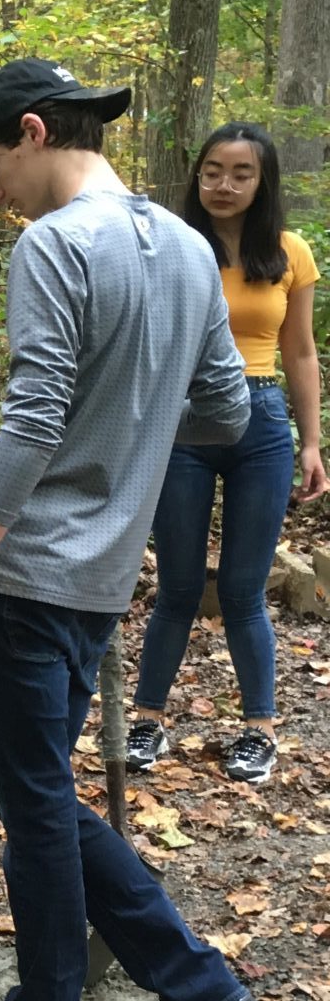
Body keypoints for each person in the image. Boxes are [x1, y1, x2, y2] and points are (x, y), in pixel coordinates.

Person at [0, 58, 270, 1001]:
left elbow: (30, 419)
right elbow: (228, 415)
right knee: (47, 801)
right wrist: (135, 427)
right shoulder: (184, 247)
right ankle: (198, 988)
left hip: (32, 577)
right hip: (107, 577)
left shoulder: (57, 244)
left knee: (35, 810)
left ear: (32, 132)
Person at [126, 123, 324, 785]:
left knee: (242, 589)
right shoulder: (173, 245)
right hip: (183, 422)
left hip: (263, 420)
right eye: (212, 170)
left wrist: (313, 441)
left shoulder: (289, 252)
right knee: (177, 586)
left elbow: (300, 351)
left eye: (241, 173)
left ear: (262, 182)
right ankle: (148, 719)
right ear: (197, 176)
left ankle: (258, 730)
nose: (224, 184)